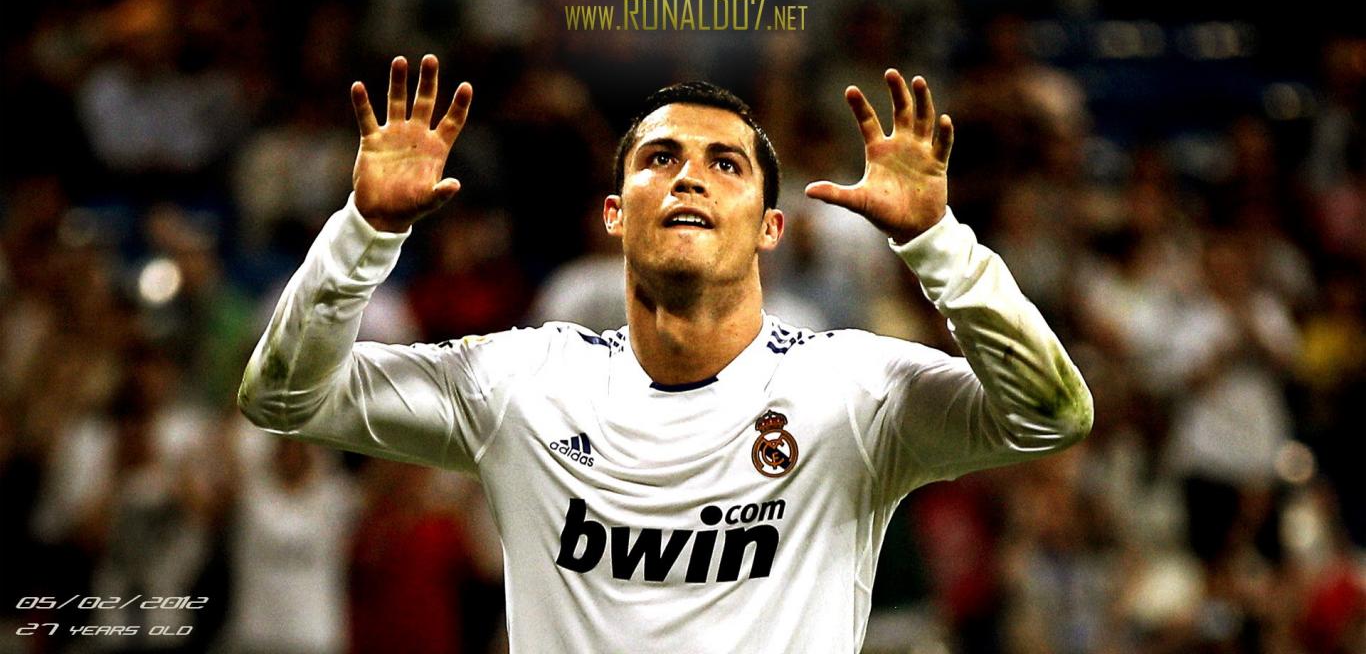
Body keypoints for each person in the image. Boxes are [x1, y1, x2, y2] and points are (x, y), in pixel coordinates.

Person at [238, 54, 1094, 652]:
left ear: (771, 228)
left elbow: (1051, 415)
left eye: (726, 164)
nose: (690, 176)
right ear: (614, 214)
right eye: (661, 157)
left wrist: (938, 244)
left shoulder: (849, 390)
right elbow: (284, 398)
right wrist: (364, 230)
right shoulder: (521, 384)